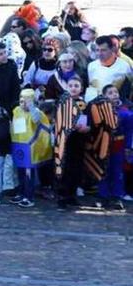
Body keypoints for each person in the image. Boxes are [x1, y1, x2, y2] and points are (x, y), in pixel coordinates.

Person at [54, 75, 92, 210]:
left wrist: (87, 128)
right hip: (66, 140)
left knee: (76, 168)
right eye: (71, 86)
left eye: (76, 86)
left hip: (79, 140)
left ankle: (71, 195)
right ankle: (62, 197)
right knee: (65, 168)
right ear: (66, 87)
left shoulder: (84, 104)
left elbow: (89, 120)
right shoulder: (63, 102)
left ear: (81, 88)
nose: (73, 88)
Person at [10, 88, 53, 208]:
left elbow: (36, 119)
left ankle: (28, 196)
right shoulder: (17, 110)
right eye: (22, 101)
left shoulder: (37, 113)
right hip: (19, 145)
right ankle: (21, 192)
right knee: (20, 171)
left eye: (27, 101)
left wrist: (32, 107)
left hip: (31, 147)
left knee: (29, 173)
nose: (23, 104)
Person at [99, 84, 129, 210]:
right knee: (103, 171)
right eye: (110, 93)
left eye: (116, 92)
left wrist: (128, 147)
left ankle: (117, 197)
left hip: (118, 145)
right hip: (103, 146)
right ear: (104, 96)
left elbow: (129, 132)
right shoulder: (99, 111)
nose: (114, 95)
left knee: (117, 171)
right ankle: (103, 196)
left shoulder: (126, 112)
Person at [87, 35, 131, 100]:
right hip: (96, 104)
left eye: (103, 50)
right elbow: (91, 87)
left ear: (112, 49)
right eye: (97, 50)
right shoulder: (91, 66)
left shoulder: (124, 66)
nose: (99, 53)